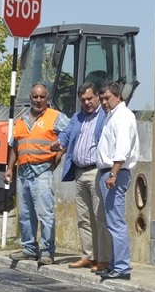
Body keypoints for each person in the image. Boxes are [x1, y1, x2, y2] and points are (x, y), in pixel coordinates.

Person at [5, 83, 67, 263]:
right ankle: (30, 249)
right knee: (25, 214)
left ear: (47, 99)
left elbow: (70, 133)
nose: (38, 100)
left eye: (42, 97)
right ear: (30, 98)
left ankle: (47, 252)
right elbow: (14, 147)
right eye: (35, 97)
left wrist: (60, 153)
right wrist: (9, 168)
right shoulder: (21, 120)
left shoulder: (55, 117)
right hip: (23, 173)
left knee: (45, 214)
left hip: (42, 172)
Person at [54, 83, 108, 269]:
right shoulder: (77, 117)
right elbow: (66, 134)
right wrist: (59, 143)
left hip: (96, 172)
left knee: (100, 217)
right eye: (83, 100)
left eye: (89, 98)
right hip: (79, 173)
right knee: (84, 218)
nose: (86, 103)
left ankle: (103, 259)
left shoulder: (105, 116)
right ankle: (89, 256)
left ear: (97, 97)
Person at [95, 81, 139, 281]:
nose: (104, 102)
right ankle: (114, 264)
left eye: (107, 98)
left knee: (116, 223)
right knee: (111, 222)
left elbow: (121, 148)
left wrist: (113, 173)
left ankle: (121, 267)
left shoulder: (122, 117)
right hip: (108, 171)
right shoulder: (110, 116)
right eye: (102, 98)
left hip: (116, 172)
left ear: (118, 96)